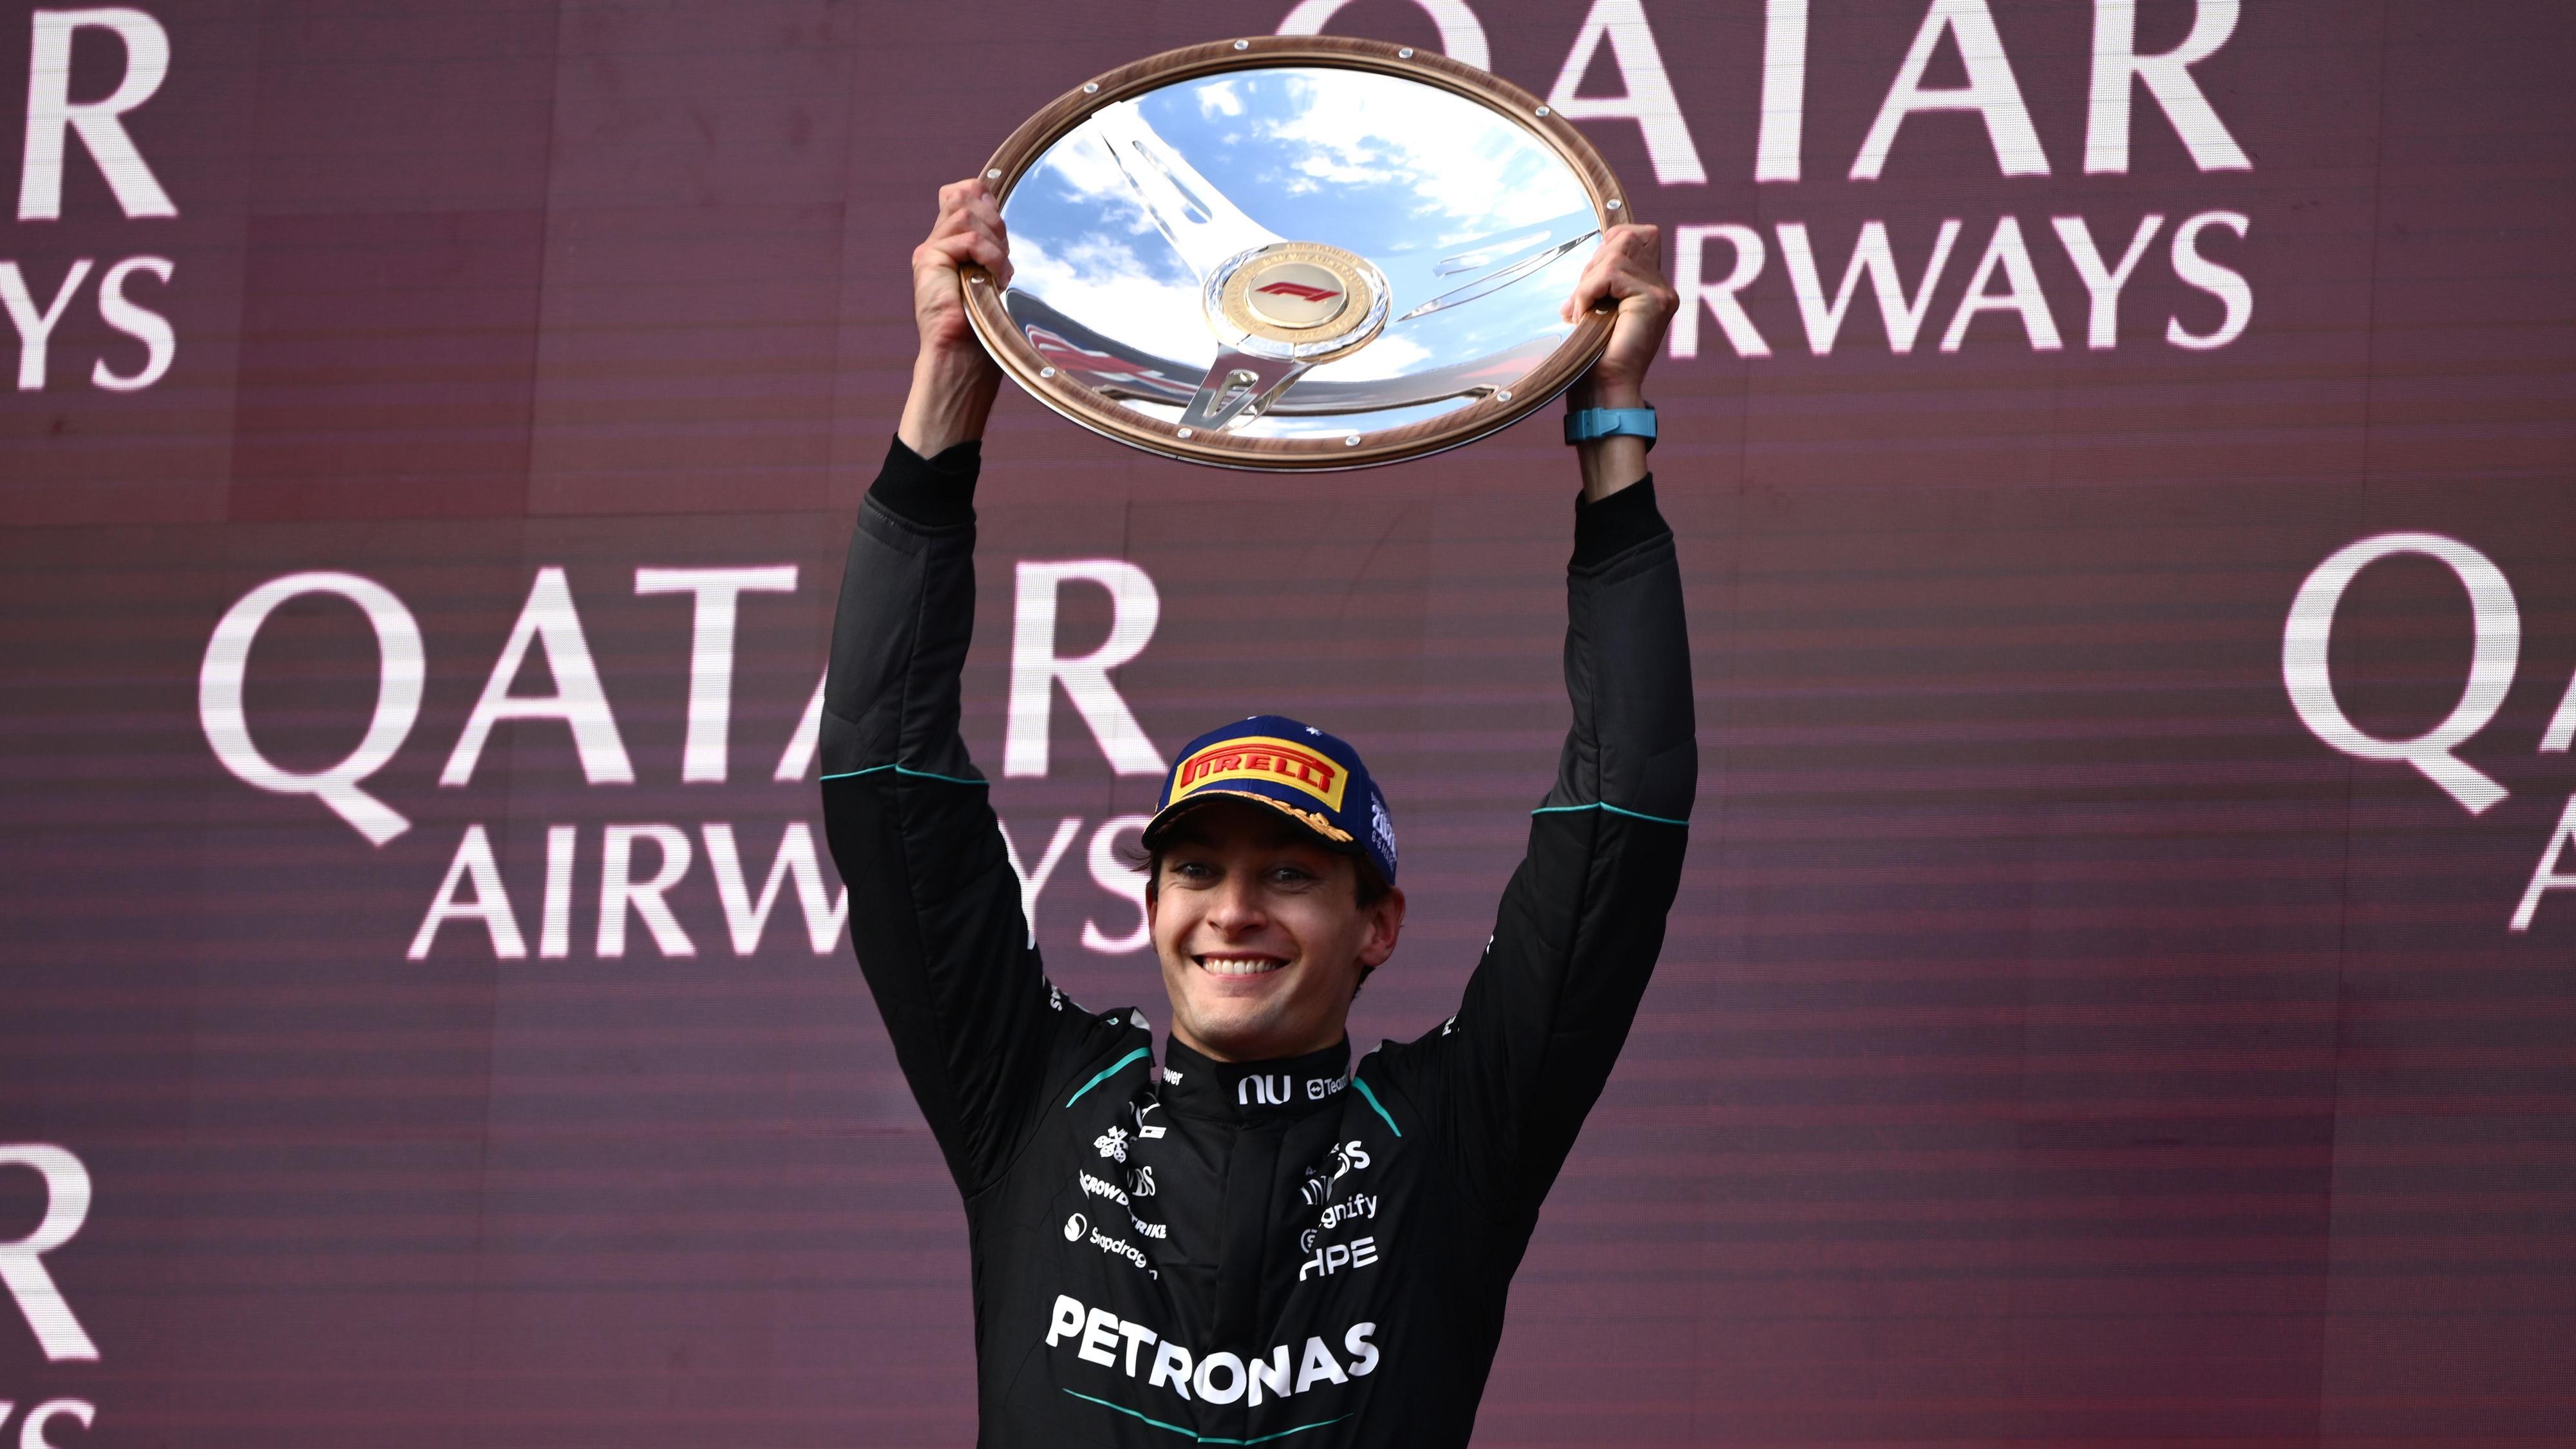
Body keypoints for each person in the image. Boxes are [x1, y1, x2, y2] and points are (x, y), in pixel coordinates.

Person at [820, 177, 1694, 1448]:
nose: (1231, 910)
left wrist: (1610, 419)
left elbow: (1624, 812)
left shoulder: (1445, 1137)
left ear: (1377, 923)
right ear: (1152, 904)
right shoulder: (1040, 1103)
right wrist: (951, 375)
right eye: (1195, 870)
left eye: (1289, 873)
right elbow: (883, 772)